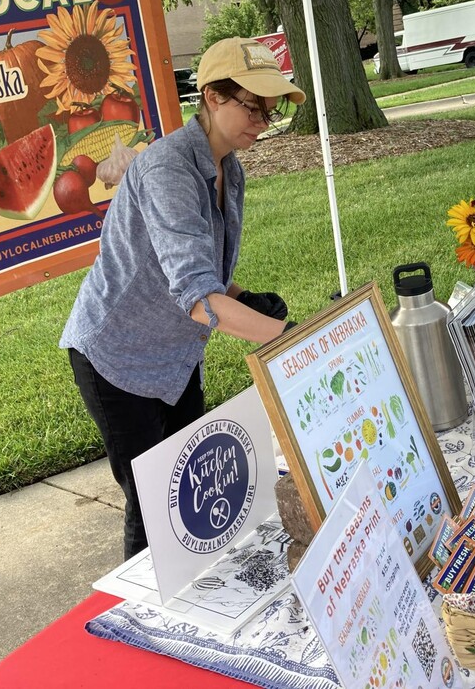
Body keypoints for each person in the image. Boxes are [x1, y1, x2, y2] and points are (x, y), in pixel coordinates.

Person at [60, 37, 305, 559]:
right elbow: (198, 299)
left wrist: (247, 298)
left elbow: (201, 273)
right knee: (154, 509)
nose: (264, 119)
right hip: (116, 357)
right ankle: (139, 624)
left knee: (191, 491)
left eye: (271, 108)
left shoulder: (227, 165)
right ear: (212, 97)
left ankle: (194, 600)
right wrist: (293, 341)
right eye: (253, 105)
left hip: (174, 354)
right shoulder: (170, 169)